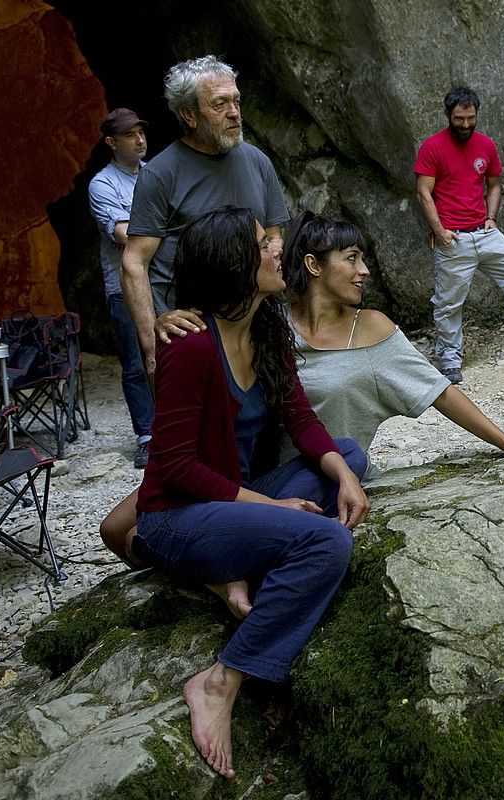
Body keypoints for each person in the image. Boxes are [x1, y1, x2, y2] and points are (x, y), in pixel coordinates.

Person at [123, 205, 369, 780]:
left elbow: (302, 418)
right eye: (264, 243)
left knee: (347, 454)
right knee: (326, 542)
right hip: (179, 515)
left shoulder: (264, 329)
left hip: (230, 501)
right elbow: (176, 469)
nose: (278, 248)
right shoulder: (189, 347)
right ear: (233, 261)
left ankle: (236, 563)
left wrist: (345, 475)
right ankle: (219, 681)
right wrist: (272, 507)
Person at [279, 210, 504, 465]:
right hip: (265, 481)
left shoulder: (370, 329)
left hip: (335, 477)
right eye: (351, 259)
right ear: (314, 265)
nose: (364, 271)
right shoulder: (273, 325)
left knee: (349, 459)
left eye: (363, 259)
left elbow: (438, 390)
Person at [122, 54, 290, 377]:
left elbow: (274, 236)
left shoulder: (258, 162)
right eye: (220, 104)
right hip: (190, 332)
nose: (234, 113)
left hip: (254, 329)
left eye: (237, 101)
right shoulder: (160, 174)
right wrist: (151, 338)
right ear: (189, 114)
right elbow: (135, 262)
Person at [414, 86, 504, 385]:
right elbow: (423, 192)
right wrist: (440, 231)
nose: (466, 125)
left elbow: (494, 184)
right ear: (448, 115)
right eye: (459, 119)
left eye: (471, 118)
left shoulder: (486, 145)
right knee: (449, 303)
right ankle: (450, 359)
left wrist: (491, 218)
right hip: (453, 237)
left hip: (485, 232)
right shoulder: (432, 147)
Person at [87, 108, 155, 468]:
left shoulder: (156, 175)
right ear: (112, 142)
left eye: (141, 132)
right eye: (130, 135)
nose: (140, 140)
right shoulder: (103, 184)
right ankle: (146, 436)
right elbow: (122, 234)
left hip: (161, 281)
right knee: (135, 362)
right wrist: (164, 232)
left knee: (173, 354)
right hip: (124, 285)